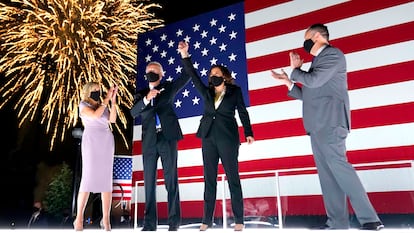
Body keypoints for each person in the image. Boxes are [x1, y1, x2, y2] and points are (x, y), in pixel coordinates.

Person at [270, 23, 384, 230]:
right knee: (328, 177)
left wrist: (296, 71)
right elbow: (309, 95)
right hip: (317, 126)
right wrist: (289, 82)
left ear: (318, 36)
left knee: (340, 169)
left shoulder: (333, 55)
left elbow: (313, 81)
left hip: (331, 123)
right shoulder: (318, 62)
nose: (305, 44)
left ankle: (370, 220)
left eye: (306, 38)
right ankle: (337, 223)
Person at [181, 42, 254, 231]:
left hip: (228, 138)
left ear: (224, 76)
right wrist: (185, 54)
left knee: (233, 178)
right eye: (211, 74)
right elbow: (192, 75)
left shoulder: (234, 92)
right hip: (208, 138)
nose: (212, 76)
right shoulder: (206, 92)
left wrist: (248, 132)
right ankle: (206, 220)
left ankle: (239, 220)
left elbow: (242, 112)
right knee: (209, 179)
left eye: (216, 74)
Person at [130, 41, 191, 231]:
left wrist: (184, 54)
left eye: (155, 70)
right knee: (149, 182)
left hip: (167, 137)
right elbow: (133, 113)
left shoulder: (168, 88)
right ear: (145, 74)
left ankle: (174, 223)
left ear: (161, 74)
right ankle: (149, 224)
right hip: (149, 142)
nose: (152, 73)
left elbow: (187, 76)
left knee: (171, 180)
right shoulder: (140, 94)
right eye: (149, 70)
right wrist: (147, 98)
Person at [73, 82, 118, 231]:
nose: (97, 92)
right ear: (87, 91)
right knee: (87, 178)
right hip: (91, 141)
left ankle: (106, 220)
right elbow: (94, 115)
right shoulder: (83, 105)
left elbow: (112, 120)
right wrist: (105, 100)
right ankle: (78, 218)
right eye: (94, 90)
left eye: (99, 90)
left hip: (106, 140)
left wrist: (113, 101)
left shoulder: (102, 105)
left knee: (106, 180)